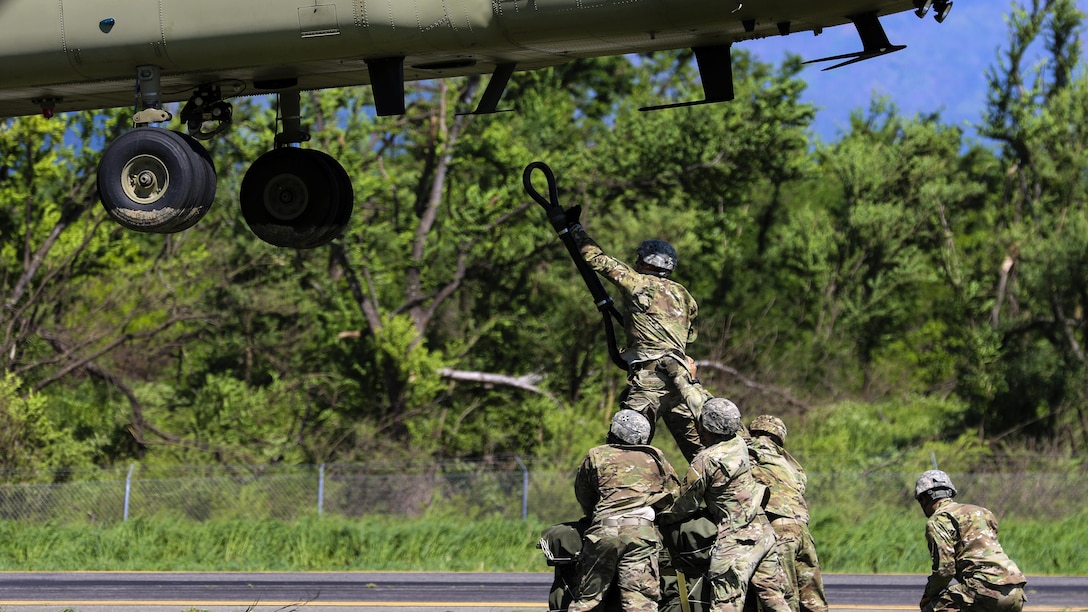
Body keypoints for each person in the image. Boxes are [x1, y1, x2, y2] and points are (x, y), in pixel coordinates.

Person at [558, 205, 705, 461]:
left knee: (623, 446)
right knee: (701, 450)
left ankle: (626, 496)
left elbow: (596, 259)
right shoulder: (685, 296)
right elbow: (690, 335)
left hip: (650, 380)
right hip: (680, 380)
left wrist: (575, 228)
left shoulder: (637, 283)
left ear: (643, 262)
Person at [659, 398, 792, 612]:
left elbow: (686, 503)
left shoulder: (707, 460)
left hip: (737, 539)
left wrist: (661, 517)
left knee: (725, 604)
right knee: (774, 599)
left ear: (707, 425)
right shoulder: (740, 443)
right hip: (763, 533)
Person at [568, 409, 682, 612]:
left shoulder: (597, 454)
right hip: (640, 533)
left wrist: (592, 515)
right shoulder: (655, 457)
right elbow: (673, 494)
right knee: (640, 601)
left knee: (588, 600)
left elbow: (583, 492)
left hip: (604, 530)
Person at [914, 469, 1028, 612]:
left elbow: (945, 571)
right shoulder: (982, 512)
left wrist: (928, 595)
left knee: (932, 609)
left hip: (985, 589)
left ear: (924, 498)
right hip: (1015, 589)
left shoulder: (938, 521)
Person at [746, 415, 827, 612]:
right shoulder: (790, 464)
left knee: (784, 597)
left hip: (778, 531)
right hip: (802, 531)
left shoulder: (748, 452)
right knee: (812, 599)